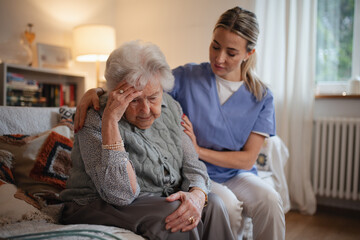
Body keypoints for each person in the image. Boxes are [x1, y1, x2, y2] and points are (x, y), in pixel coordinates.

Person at [73, 7, 285, 240]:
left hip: (233, 172)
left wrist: (197, 158)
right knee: (224, 205)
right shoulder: (188, 76)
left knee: (270, 200)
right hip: (197, 175)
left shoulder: (261, 95)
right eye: (215, 46)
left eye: (231, 52)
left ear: (248, 53)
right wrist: (99, 91)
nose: (219, 58)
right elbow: (142, 79)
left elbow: (246, 159)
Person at [59, 40, 235, 240]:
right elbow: (120, 194)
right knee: (176, 216)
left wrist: (197, 194)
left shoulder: (172, 107)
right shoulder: (95, 115)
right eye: (133, 100)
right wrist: (111, 121)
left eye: (153, 98)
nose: (145, 110)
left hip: (156, 200)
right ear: (115, 92)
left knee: (214, 205)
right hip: (95, 203)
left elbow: (193, 164)